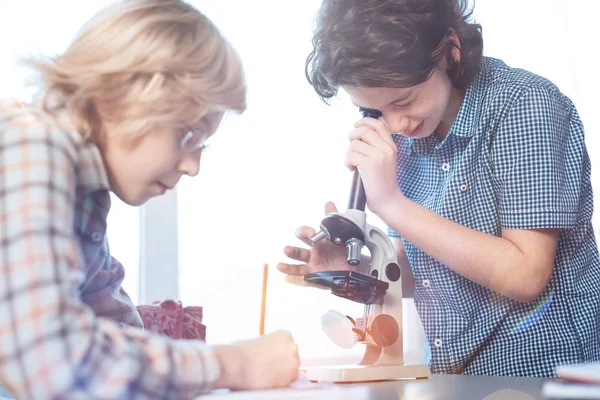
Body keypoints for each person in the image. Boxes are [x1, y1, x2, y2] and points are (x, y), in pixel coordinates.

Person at [278, 0, 600, 378]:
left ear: (449, 50)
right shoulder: (411, 135)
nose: (396, 123)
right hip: (454, 376)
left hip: (543, 374)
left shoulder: (525, 104)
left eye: (404, 100)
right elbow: (427, 272)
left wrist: (389, 203)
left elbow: (526, 275)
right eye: (375, 111)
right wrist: (359, 266)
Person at [0, 1, 299, 398]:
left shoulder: (86, 194)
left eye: (202, 146)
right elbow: (50, 364)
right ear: (119, 96)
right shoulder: (31, 144)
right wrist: (235, 364)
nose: (193, 167)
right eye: (189, 134)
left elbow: (112, 325)